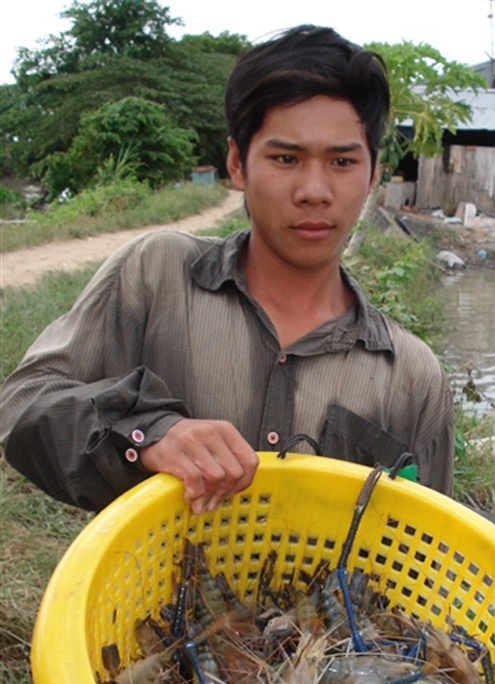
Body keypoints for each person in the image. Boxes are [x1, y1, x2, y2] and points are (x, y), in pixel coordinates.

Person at [0, 25, 455, 515]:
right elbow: (24, 404)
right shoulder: (156, 275)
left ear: (372, 175)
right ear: (237, 163)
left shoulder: (413, 376)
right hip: (146, 587)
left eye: (342, 161)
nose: (314, 190)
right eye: (286, 158)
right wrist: (146, 434)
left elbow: (431, 544)